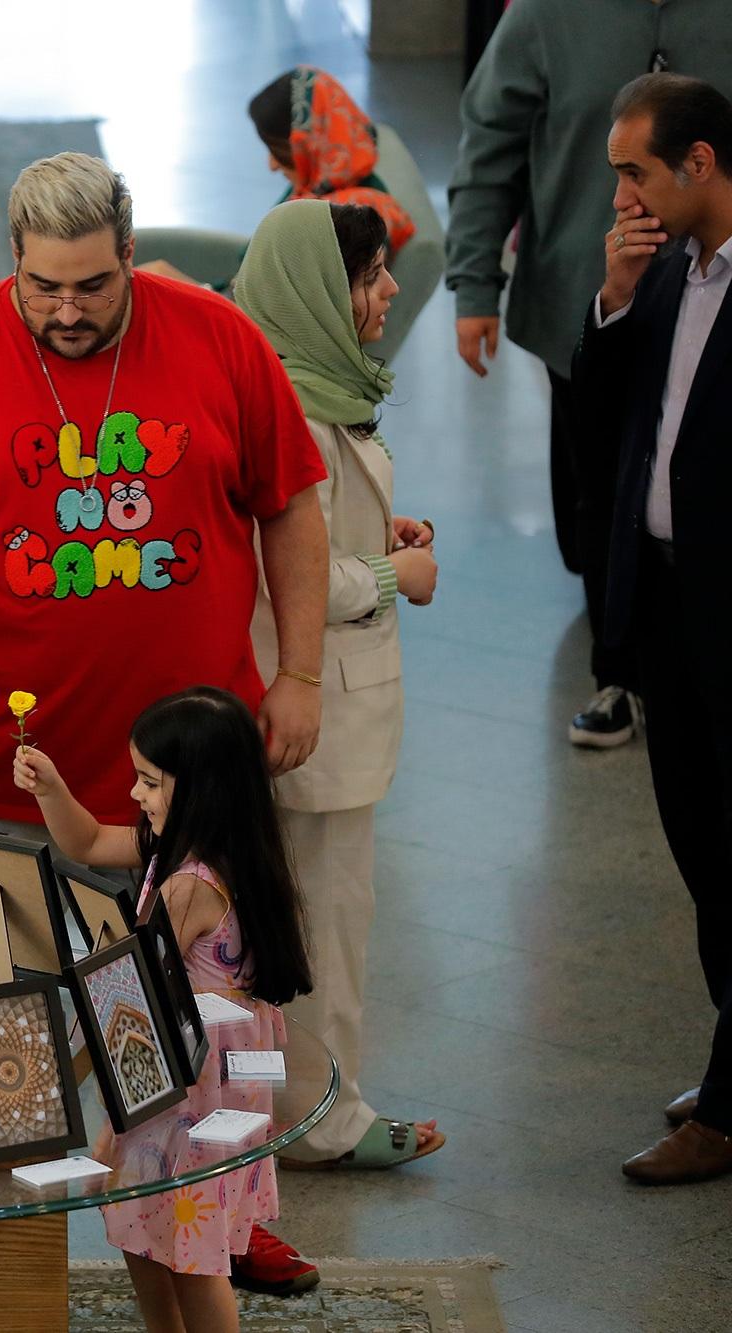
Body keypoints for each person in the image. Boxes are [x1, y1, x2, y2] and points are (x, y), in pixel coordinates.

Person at [0, 151, 328, 1295]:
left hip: (195, 786)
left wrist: (298, 672)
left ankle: (226, 1221)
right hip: (0, 785)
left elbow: (291, 505)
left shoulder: (217, 338)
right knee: (10, 1042)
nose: (67, 311)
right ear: (10, 261)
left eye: (93, 287)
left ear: (127, 253)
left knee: (210, 1025)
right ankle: (2, 1263)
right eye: (43, 287)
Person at [447, 1, 732, 747]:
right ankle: (619, 674)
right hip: (589, 305)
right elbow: (491, 143)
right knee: (600, 501)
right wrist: (475, 283)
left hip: (720, 304)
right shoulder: (546, 14)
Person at [234, 199, 444, 1170]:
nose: (388, 292)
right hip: (318, 708)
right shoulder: (297, 410)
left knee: (298, 917)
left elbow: (316, 535)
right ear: (321, 290)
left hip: (314, 705)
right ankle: (326, 1122)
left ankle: (285, 1111)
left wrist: (374, 534)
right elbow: (287, 577)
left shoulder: (309, 384)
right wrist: (390, 575)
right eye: (368, 276)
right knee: (323, 925)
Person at [15, 687, 314, 1333]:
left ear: (200, 786)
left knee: (186, 1248)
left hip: (186, 1089)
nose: (135, 793)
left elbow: (139, 998)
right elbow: (90, 839)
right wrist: (52, 790)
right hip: (209, 1075)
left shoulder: (187, 886)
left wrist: (112, 1118)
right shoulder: (205, 851)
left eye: (150, 780)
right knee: (151, 1226)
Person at [575, 73, 732, 1186]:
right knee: (705, 852)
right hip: (670, 610)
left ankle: (724, 1109)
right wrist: (614, 297)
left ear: (700, 164)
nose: (621, 190)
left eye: (634, 169)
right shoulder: (673, 270)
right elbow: (613, 422)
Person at [246, 67, 416, 256]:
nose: (272, 166)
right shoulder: (320, 186)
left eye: (277, 151)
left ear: (310, 145)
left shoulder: (349, 220)